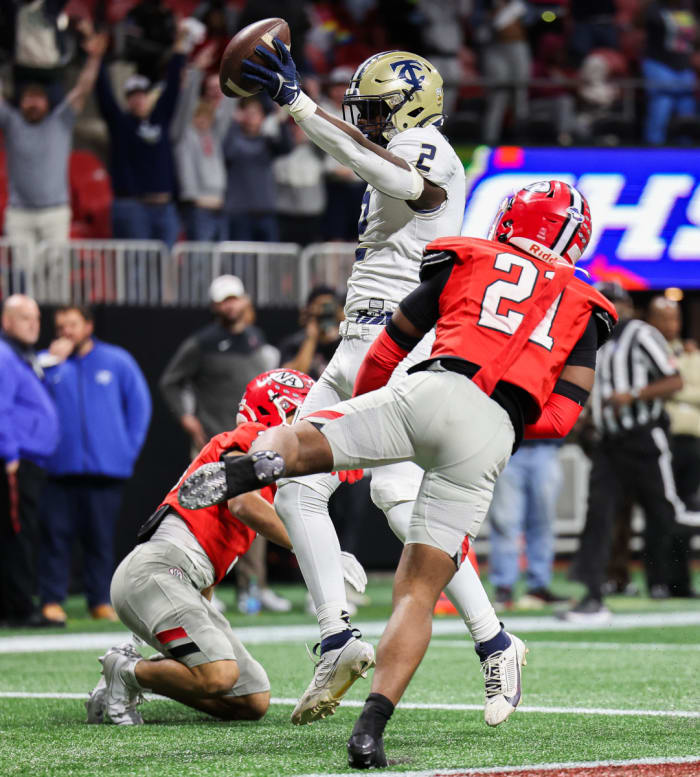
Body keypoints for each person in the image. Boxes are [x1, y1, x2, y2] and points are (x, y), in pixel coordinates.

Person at [179, 180, 617, 768]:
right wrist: (504, 424)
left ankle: (261, 463)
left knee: (308, 437)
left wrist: (365, 425)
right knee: (415, 593)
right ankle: (371, 729)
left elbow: (390, 348)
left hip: (432, 387)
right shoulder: (586, 305)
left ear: (513, 218)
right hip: (490, 433)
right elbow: (563, 417)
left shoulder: (470, 255)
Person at [236, 41, 500, 732]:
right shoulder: (401, 142)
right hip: (358, 340)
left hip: (399, 342)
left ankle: (495, 637)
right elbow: (367, 158)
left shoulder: (429, 147)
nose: (371, 120)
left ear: (412, 104)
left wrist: (299, 104)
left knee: (400, 493)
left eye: (378, 107)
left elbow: (405, 180)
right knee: (296, 483)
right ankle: (335, 638)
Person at [86, 369, 366, 725]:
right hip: (157, 570)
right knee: (219, 675)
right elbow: (241, 503)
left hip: (175, 575)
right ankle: (124, 671)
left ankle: (133, 675)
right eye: (301, 416)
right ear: (277, 413)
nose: (307, 427)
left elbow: (209, 566)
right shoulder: (254, 437)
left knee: (251, 700)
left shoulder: (265, 472)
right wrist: (313, 549)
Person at [562, 283, 690, 622]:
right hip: (607, 444)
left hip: (643, 439)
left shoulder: (642, 334)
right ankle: (592, 595)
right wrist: (588, 420)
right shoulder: (599, 341)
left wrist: (632, 395)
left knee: (668, 514)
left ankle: (664, 583)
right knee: (599, 518)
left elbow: (674, 381)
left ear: (624, 306)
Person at [159, 274, 285, 613]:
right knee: (204, 518)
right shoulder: (202, 343)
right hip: (214, 445)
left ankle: (253, 589)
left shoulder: (257, 340)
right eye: (224, 300)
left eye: (235, 298)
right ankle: (200, 590)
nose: (231, 305)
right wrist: (186, 416)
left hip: (251, 443)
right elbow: (171, 381)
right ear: (215, 306)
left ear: (245, 301)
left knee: (254, 517)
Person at [37, 306, 151, 623]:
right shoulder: (47, 364)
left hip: (106, 470)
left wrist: (126, 451)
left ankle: (100, 600)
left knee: (100, 540)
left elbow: (139, 407)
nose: (66, 332)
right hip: (59, 470)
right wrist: (47, 363)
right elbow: (29, 400)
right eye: (60, 326)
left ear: (88, 325)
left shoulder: (117, 360)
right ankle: (52, 600)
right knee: (54, 538)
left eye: (72, 324)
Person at [0, 30, 107, 247]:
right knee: (25, 276)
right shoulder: (11, 122)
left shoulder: (60, 121)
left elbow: (83, 89)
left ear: (47, 104)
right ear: (20, 103)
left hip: (55, 213)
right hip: (20, 214)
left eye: (38, 99)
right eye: (28, 99)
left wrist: (94, 58)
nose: (33, 104)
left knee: (55, 277)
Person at [96, 20, 189, 247]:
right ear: (127, 100)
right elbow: (104, 95)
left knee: (165, 267)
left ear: (149, 96)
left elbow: (173, 87)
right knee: (137, 271)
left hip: (164, 206)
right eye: (132, 95)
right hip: (134, 206)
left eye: (142, 94)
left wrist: (180, 46)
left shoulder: (161, 117)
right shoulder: (121, 124)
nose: (138, 98)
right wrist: (97, 59)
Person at [0, 295, 60, 628]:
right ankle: (20, 608)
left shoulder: (22, 356)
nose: (34, 323)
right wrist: (9, 454)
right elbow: (1, 408)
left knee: (19, 532)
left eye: (36, 317)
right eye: (25, 317)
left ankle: (15, 604)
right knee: (18, 533)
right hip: (16, 461)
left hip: (29, 460)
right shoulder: (5, 356)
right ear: (6, 321)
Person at [647, 295, 699, 597]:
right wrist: (678, 386)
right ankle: (657, 580)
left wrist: (674, 389)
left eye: (675, 318)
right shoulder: (645, 350)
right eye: (665, 318)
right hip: (660, 439)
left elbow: (683, 388)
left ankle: (682, 581)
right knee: (659, 510)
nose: (671, 325)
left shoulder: (690, 353)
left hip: (691, 442)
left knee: (689, 509)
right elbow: (665, 386)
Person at [487, 439, 568, 611]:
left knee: (543, 523)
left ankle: (538, 587)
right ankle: (504, 587)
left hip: (545, 446)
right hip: (507, 446)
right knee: (505, 523)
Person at [222, 95, 292, 242]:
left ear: (262, 116)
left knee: (269, 258)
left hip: (266, 210)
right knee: (242, 261)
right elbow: (227, 151)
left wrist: (281, 121)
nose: (251, 117)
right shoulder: (235, 138)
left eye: (255, 113)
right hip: (239, 211)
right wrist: (234, 123)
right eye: (248, 113)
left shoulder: (267, 140)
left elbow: (286, 147)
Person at [641, 0, 697, 145]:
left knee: (687, 106)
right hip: (659, 63)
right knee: (663, 102)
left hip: (684, 66)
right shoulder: (654, 9)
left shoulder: (689, 10)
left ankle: (687, 147)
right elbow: (641, 22)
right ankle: (654, 145)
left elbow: (694, 39)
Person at [278, 285, 343, 381]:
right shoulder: (294, 344)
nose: (325, 312)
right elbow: (291, 380)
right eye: (320, 306)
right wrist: (311, 338)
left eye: (329, 307)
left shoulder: (344, 343)